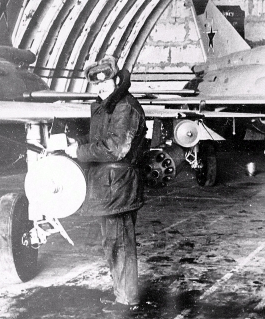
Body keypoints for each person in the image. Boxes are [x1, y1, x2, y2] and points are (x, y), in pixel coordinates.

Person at [65, 56, 147, 314]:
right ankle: (121, 295)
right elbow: (101, 139)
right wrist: (76, 141)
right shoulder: (108, 106)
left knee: (121, 244)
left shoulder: (124, 107)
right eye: (96, 84)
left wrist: (77, 150)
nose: (100, 88)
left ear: (116, 80)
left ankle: (127, 301)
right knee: (112, 243)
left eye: (105, 82)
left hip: (119, 184)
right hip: (108, 185)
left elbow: (114, 149)